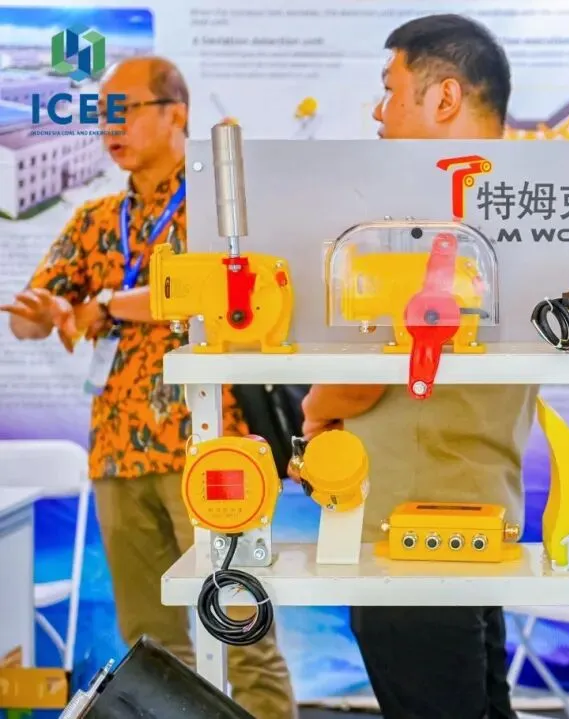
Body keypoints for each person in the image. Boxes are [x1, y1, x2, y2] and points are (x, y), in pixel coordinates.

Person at [1, 57, 297, 719]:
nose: (112, 128)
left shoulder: (223, 212)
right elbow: (34, 316)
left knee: (243, 632)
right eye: (104, 115)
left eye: (126, 110)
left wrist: (103, 305)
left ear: (176, 113)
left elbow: (212, 287)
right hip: (118, 454)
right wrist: (41, 314)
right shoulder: (96, 220)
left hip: (214, 450)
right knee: (153, 642)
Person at [301, 14, 534, 719]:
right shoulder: (525, 215)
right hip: (484, 510)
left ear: (445, 97)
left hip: (405, 526)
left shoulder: (410, 225)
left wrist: (313, 412)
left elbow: (363, 375)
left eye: (390, 90)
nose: (379, 111)